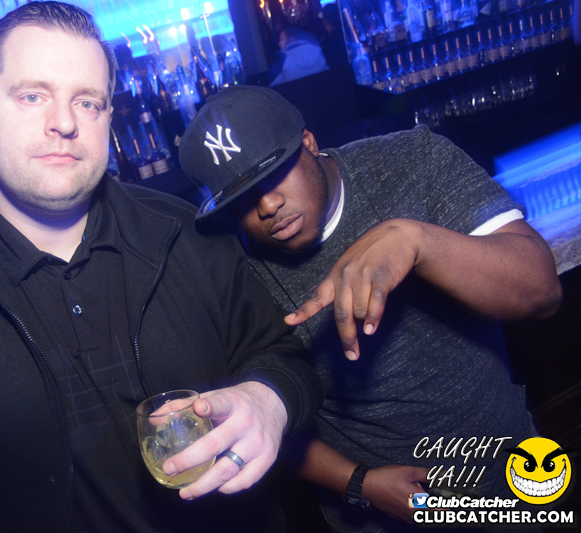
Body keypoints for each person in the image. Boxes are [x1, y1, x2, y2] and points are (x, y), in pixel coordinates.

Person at [0, 4, 323, 532]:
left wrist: (267, 400)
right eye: (32, 96)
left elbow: (285, 358)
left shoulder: (188, 235)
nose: (64, 123)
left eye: (87, 102)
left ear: (108, 119)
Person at [178, 85, 563, 532]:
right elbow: (260, 421)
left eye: (274, 172)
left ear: (308, 143)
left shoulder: (412, 161)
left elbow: (542, 291)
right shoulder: (237, 269)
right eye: (240, 198)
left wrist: (416, 241)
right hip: (380, 515)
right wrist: (359, 482)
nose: (267, 205)